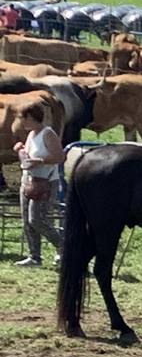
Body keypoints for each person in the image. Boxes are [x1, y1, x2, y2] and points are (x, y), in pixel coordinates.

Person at [12, 102, 64, 267]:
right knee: (27, 221)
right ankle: (34, 257)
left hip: (46, 182)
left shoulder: (48, 134)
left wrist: (39, 161)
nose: (21, 122)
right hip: (28, 181)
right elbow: (28, 157)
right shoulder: (31, 134)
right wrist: (21, 150)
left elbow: (59, 157)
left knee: (37, 219)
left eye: (22, 118)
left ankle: (64, 247)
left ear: (31, 117)